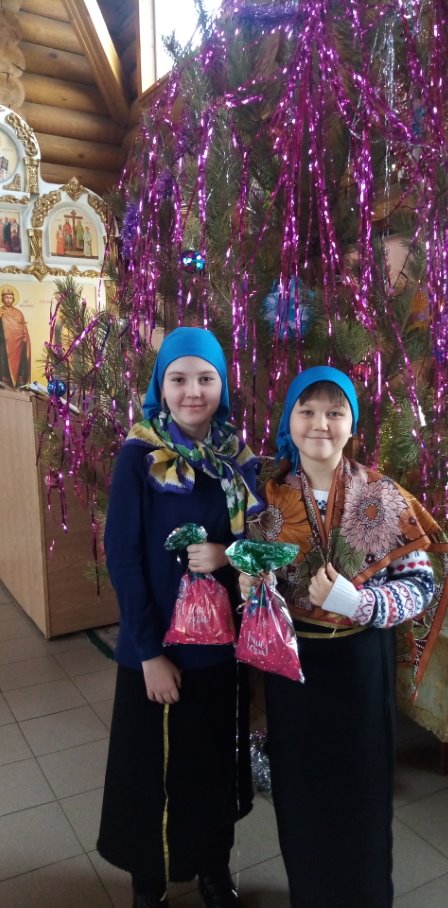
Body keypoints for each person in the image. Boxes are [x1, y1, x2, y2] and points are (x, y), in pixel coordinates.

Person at [239, 366, 448, 908]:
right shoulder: (266, 499)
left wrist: (361, 603)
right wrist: (251, 582)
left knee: (362, 793)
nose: (320, 423)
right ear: (289, 420)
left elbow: (423, 583)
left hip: (361, 665)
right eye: (307, 411)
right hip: (294, 668)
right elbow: (252, 570)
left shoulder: (384, 496)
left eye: (334, 412)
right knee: (300, 792)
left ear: (352, 424)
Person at [97, 327, 263, 908]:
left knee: (212, 766)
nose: (193, 391)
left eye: (206, 378)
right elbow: (122, 556)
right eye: (179, 378)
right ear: (160, 386)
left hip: (220, 648)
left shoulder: (237, 460)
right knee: (149, 772)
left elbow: (262, 543)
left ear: (222, 384)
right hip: (158, 651)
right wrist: (148, 652)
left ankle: (213, 869)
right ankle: (148, 881)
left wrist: (227, 554)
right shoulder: (138, 457)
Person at [0, 286, 31, 387]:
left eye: (10, 297)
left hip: (18, 345)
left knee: (21, 362)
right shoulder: (0, 312)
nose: (8, 300)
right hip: (3, 345)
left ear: (13, 299)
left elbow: (23, 328)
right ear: (2, 299)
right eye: (6, 297)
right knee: (3, 363)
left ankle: (19, 382)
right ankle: (5, 382)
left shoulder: (18, 313)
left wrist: (25, 337)